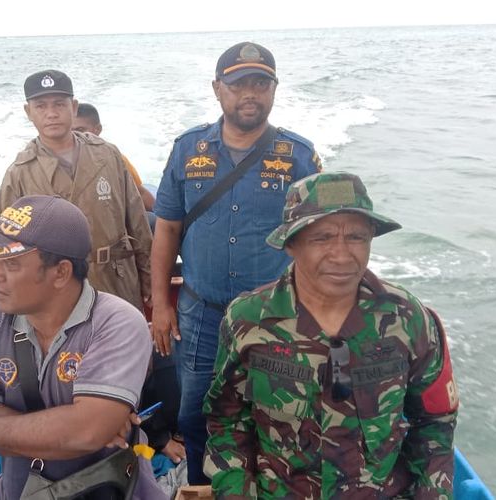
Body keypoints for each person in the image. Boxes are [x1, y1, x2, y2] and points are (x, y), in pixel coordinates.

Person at [203, 172, 458, 498]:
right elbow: (227, 423)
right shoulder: (248, 321)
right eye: (322, 238)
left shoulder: (407, 318)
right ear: (291, 244)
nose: (341, 255)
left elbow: (434, 424)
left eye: (356, 237)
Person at [151, 41, 323, 484]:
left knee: (276, 415)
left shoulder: (299, 157)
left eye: (260, 83)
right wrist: (160, 303)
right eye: (238, 83)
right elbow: (167, 228)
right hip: (200, 311)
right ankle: (201, 486)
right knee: (194, 413)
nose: (250, 93)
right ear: (217, 89)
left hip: (275, 317)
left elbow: (318, 240)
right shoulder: (188, 150)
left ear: (274, 90)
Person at [0, 194, 166, 500]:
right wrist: (81, 429)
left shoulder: (117, 322)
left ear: (61, 272)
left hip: (109, 491)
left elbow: (86, 431)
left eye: (11, 262)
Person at [0, 70, 152, 312]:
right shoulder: (19, 174)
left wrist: (153, 285)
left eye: (59, 104)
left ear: (73, 107)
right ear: (28, 112)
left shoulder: (108, 155)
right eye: (41, 106)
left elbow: (138, 223)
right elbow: (4, 248)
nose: (52, 113)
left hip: (117, 284)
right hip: (55, 294)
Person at [73, 103, 156, 212]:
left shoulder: (115, 158)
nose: (75, 135)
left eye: (81, 129)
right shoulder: (57, 163)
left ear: (97, 129)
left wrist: (162, 220)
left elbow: (140, 193)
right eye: (70, 130)